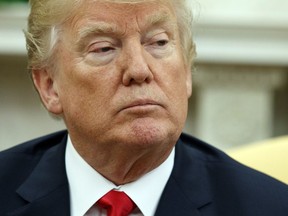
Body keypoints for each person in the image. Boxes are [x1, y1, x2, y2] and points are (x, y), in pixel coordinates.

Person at [0, 0, 287, 215]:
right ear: (50, 85)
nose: (139, 70)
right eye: (104, 48)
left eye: (159, 42)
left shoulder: (268, 207)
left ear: (186, 71)